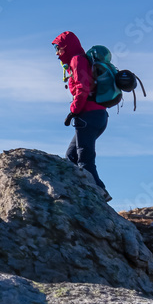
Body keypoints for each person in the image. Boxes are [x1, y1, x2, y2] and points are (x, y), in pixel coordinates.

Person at [52, 31, 111, 201]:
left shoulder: (77, 60)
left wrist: (74, 109)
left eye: (58, 48)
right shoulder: (78, 61)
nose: (57, 53)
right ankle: (76, 196)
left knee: (85, 160)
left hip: (88, 116)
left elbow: (82, 88)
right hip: (98, 115)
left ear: (66, 47)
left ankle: (100, 195)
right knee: (71, 158)